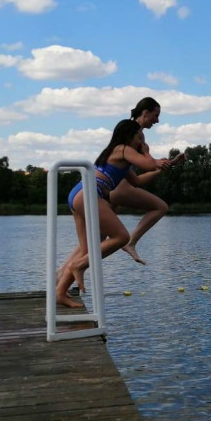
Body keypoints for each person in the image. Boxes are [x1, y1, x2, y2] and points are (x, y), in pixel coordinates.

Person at [55, 119, 162, 308]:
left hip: (79, 193)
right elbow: (148, 164)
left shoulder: (118, 156)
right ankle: (78, 265)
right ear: (129, 136)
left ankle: (60, 293)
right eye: (139, 138)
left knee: (87, 250)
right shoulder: (122, 148)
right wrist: (146, 151)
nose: (141, 142)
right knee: (121, 237)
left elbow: (137, 181)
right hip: (90, 193)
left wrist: (159, 169)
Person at [112, 97, 184, 264]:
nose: (157, 121)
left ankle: (63, 274)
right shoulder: (132, 133)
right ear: (145, 112)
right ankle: (131, 242)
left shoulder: (134, 133)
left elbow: (141, 175)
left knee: (97, 243)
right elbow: (149, 164)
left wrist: (168, 163)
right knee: (160, 207)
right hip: (120, 187)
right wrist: (160, 163)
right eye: (156, 115)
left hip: (115, 186)